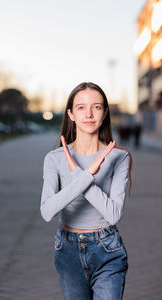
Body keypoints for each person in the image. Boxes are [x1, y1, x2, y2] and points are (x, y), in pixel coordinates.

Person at [40, 82, 133, 300]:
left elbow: (113, 214)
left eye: (97, 107)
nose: (89, 114)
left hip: (107, 249)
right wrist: (87, 174)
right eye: (81, 107)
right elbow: (47, 212)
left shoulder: (119, 157)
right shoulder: (54, 158)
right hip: (68, 250)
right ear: (71, 114)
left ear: (105, 113)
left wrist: (80, 175)